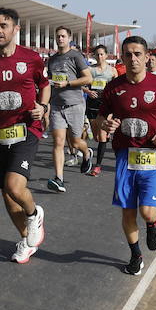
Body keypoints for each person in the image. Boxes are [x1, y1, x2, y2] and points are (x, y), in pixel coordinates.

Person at [94, 37, 156, 275]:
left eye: (137, 54)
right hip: (125, 155)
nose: (133, 59)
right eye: (128, 54)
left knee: (146, 210)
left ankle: (153, 222)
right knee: (127, 211)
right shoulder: (114, 87)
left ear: (147, 57)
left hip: (152, 153)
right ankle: (136, 256)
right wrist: (106, 123)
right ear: (122, 58)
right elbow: (99, 117)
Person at [0, 8, 49, 264]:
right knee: (6, 194)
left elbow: (45, 86)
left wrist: (43, 107)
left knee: (15, 186)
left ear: (16, 29)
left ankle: (35, 213)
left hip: (27, 129)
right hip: (0, 133)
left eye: (4, 25)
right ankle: (26, 240)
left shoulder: (32, 58)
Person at [45, 27, 93, 192]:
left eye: (63, 36)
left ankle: (87, 153)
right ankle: (59, 179)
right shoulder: (51, 60)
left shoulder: (75, 56)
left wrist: (68, 83)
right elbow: (50, 80)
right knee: (58, 142)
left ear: (69, 38)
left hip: (75, 104)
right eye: (57, 36)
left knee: (75, 142)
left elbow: (88, 78)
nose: (60, 39)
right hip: (57, 105)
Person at [84, 44, 117, 177]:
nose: (99, 56)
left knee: (102, 137)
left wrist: (109, 94)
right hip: (92, 104)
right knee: (97, 137)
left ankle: (97, 166)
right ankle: (103, 138)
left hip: (106, 106)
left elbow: (117, 88)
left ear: (106, 55)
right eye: (97, 54)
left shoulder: (112, 71)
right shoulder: (90, 70)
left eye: (102, 54)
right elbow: (82, 84)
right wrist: (88, 91)